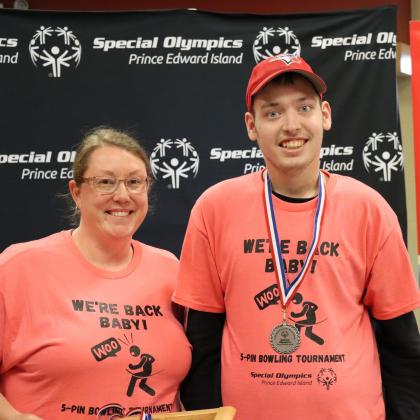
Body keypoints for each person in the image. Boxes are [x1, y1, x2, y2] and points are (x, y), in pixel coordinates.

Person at [173, 54, 420, 419]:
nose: (291, 125)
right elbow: (202, 344)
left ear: (325, 115)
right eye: (272, 113)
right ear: (251, 125)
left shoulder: (368, 208)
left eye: (303, 108)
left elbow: (402, 346)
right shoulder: (215, 208)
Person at [0, 127, 192, 419]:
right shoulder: (18, 267)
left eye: (135, 182)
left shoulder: (171, 270)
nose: (123, 195)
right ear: (76, 192)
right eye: (105, 182)